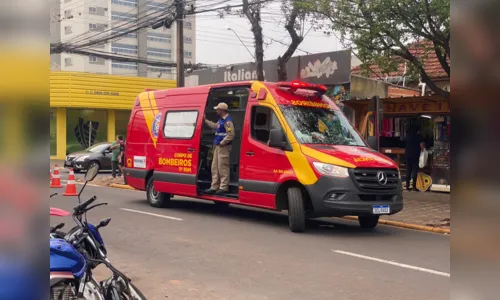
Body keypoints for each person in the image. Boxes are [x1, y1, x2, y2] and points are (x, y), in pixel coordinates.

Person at [203, 102, 235, 195]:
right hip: (218, 146)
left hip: (223, 147)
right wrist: (205, 120)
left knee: (222, 167)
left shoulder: (228, 121)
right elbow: (214, 126)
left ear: (222, 110)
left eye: (217, 109)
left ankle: (223, 187)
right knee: (215, 167)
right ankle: (214, 186)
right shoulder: (221, 120)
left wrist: (222, 143)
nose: (216, 110)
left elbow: (231, 135)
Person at [405, 124, 421, 191]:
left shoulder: (408, 136)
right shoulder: (417, 137)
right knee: (414, 170)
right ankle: (414, 186)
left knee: (408, 170)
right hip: (415, 155)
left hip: (408, 155)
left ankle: (407, 186)